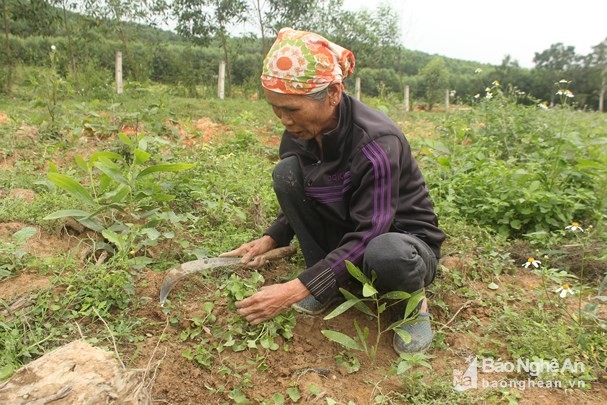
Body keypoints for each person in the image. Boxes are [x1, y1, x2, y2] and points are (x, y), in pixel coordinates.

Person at [221, 28, 445, 354]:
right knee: (287, 173)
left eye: (292, 109)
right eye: (275, 108)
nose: (284, 119)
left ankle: (413, 307)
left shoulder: (377, 143)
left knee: (385, 253)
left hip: (402, 242)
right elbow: (303, 191)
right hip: (353, 227)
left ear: (334, 93)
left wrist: (294, 289)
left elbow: (371, 233)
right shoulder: (300, 131)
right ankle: (331, 286)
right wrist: (272, 237)